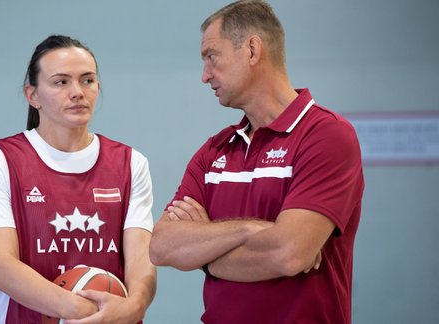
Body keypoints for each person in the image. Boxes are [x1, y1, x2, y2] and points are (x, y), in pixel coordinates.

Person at [149, 1, 364, 323]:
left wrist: (204, 250)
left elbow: (289, 253)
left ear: (252, 49)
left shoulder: (327, 135)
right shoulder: (214, 150)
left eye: (211, 57)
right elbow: (162, 246)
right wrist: (253, 229)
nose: (205, 76)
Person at [0, 34, 156, 324]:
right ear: (32, 95)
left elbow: (140, 261)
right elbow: (1, 266)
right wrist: (77, 310)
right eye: (61, 82)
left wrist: (134, 307)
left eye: (88, 80)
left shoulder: (131, 163)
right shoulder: (0, 159)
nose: (77, 92)